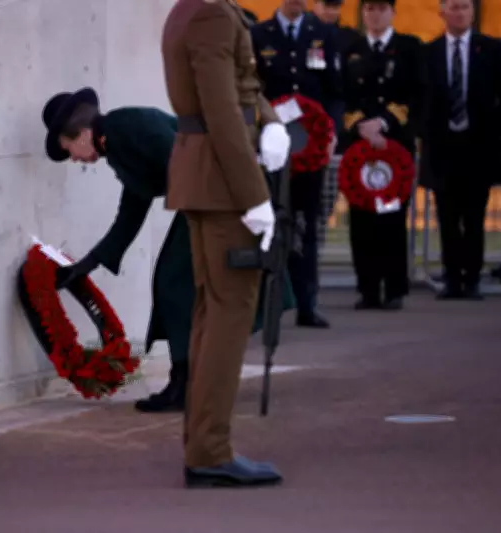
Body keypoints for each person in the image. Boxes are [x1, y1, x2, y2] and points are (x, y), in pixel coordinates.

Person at [161, 0, 291, 488]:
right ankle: (210, 451)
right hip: (223, 183)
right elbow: (218, 108)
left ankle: (203, 445)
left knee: (211, 316)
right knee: (228, 318)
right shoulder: (212, 14)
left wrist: (271, 118)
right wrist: (254, 194)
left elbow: (242, 89)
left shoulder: (190, 10)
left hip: (205, 178)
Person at [40, 88, 193, 414]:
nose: (76, 159)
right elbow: (132, 210)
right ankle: (185, 380)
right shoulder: (118, 139)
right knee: (171, 285)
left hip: (210, 196)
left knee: (173, 284)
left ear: (82, 134)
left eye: (70, 150)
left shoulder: (128, 127)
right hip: (201, 198)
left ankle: (186, 384)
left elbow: (186, 160)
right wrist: (88, 264)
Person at [252, 0, 343, 329]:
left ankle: (307, 302)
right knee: (270, 223)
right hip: (273, 146)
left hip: (311, 149)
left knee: (307, 225)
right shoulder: (259, 34)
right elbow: (252, 88)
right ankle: (269, 304)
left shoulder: (323, 34)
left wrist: (332, 130)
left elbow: (334, 91)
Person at [420, 0, 501, 300]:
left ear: (472, 12)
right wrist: (429, 130)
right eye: (454, 7)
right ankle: (452, 279)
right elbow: (420, 98)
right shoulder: (430, 52)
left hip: (478, 147)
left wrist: (492, 128)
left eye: (465, 7)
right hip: (442, 148)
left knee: (475, 218)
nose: (460, 12)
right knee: (447, 218)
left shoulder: (490, 49)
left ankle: (472, 278)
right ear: (442, 12)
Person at [340, 0, 425, 310]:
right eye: (369, 9)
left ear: (393, 12)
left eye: (381, 9)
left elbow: (417, 93)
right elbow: (343, 93)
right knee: (361, 217)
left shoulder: (409, 48)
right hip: (360, 146)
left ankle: (394, 288)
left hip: (394, 147)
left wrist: (385, 122)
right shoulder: (351, 48)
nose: (375, 15)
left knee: (391, 216)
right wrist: (361, 125)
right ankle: (368, 288)